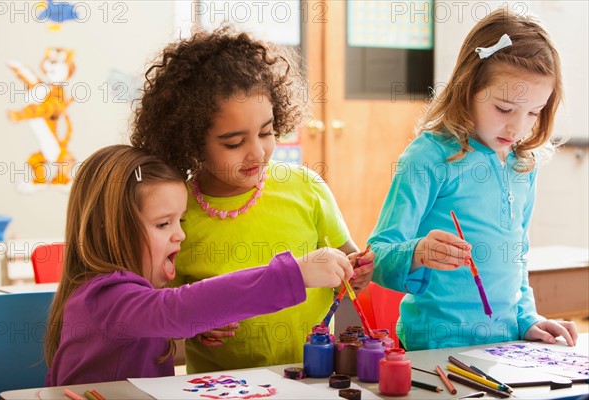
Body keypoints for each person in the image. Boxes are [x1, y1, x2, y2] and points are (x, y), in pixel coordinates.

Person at [130, 27, 375, 373]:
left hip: (311, 375)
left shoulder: (306, 187)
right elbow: (163, 308)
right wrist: (198, 324)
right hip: (222, 386)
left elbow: (349, 257)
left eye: (267, 132)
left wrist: (357, 269)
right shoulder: (173, 211)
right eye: (234, 143)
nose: (258, 152)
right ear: (191, 141)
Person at [44, 145, 354, 385]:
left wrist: (199, 326)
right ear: (109, 230)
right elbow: (177, 309)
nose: (180, 235)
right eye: (163, 224)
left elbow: (172, 319)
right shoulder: (105, 297)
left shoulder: (128, 297)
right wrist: (293, 274)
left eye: (180, 221)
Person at [368, 8, 577, 351]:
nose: (518, 128)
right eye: (505, 109)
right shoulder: (429, 157)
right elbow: (377, 255)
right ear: (469, 88)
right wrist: (417, 252)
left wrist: (528, 319)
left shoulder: (523, 165)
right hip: (435, 347)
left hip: (505, 348)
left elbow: (517, 257)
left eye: (534, 112)